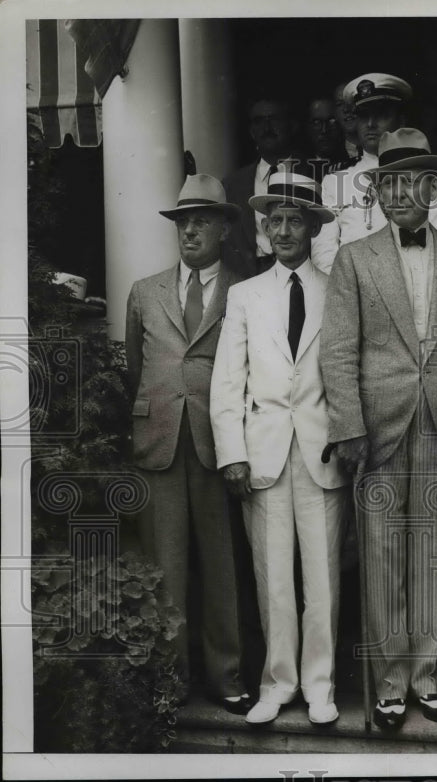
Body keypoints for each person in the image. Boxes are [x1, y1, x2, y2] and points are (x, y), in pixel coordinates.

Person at [320, 128, 437, 731]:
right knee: (384, 553)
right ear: (378, 190)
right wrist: (349, 427)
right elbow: (337, 351)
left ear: (433, 186)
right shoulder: (354, 257)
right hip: (378, 429)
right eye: (390, 182)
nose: (401, 192)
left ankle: (427, 675)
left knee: (427, 552)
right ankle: (389, 681)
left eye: (414, 180)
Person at [210, 172, 350, 726]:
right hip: (263, 450)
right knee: (272, 576)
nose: (285, 230)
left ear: (314, 227)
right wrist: (232, 453)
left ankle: (320, 685)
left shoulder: (337, 288)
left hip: (321, 452)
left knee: (322, 577)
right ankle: (277, 683)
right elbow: (227, 381)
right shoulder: (244, 295)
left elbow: (344, 370)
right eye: (276, 222)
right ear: (264, 231)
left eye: (296, 220)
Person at [124, 174, 249, 715]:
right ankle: (169, 682)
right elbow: (135, 368)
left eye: (201, 220)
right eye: (183, 222)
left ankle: (226, 676)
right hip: (158, 443)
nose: (190, 230)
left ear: (223, 227)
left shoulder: (243, 291)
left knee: (221, 566)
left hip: (217, 442)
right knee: (165, 567)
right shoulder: (144, 291)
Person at [312, 73, 437, 272]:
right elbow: (324, 256)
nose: (370, 124)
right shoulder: (335, 181)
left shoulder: (428, 179)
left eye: (381, 115)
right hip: (351, 292)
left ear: (401, 120)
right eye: (363, 116)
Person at [222, 97, 300, 277]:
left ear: (291, 125)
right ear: (251, 132)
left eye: (274, 118)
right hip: (250, 280)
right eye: (259, 121)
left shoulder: (313, 174)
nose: (267, 127)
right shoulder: (232, 184)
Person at [304, 96, 348, 179]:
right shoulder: (297, 168)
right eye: (316, 122)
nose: (324, 130)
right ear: (307, 126)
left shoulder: (355, 163)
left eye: (332, 121)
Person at [333, 81, 360, 160]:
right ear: (334, 113)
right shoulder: (329, 158)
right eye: (339, 104)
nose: (346, 109)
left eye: (351, 101)